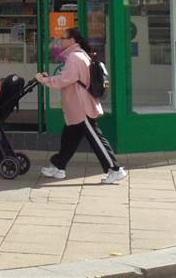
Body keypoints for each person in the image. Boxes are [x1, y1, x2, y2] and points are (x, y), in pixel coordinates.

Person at [35, 27, 126, 184]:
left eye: (63, 38)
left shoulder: (74, 57)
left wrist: (44, 80)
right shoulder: (80, 55)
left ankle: (115, 169)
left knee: (96, 138)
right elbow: (69, 77)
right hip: (77, 107)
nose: (60, 41)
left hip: (80, 107)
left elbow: (65, 80)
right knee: (69, 138)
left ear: (72, 40)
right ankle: (58, 166)